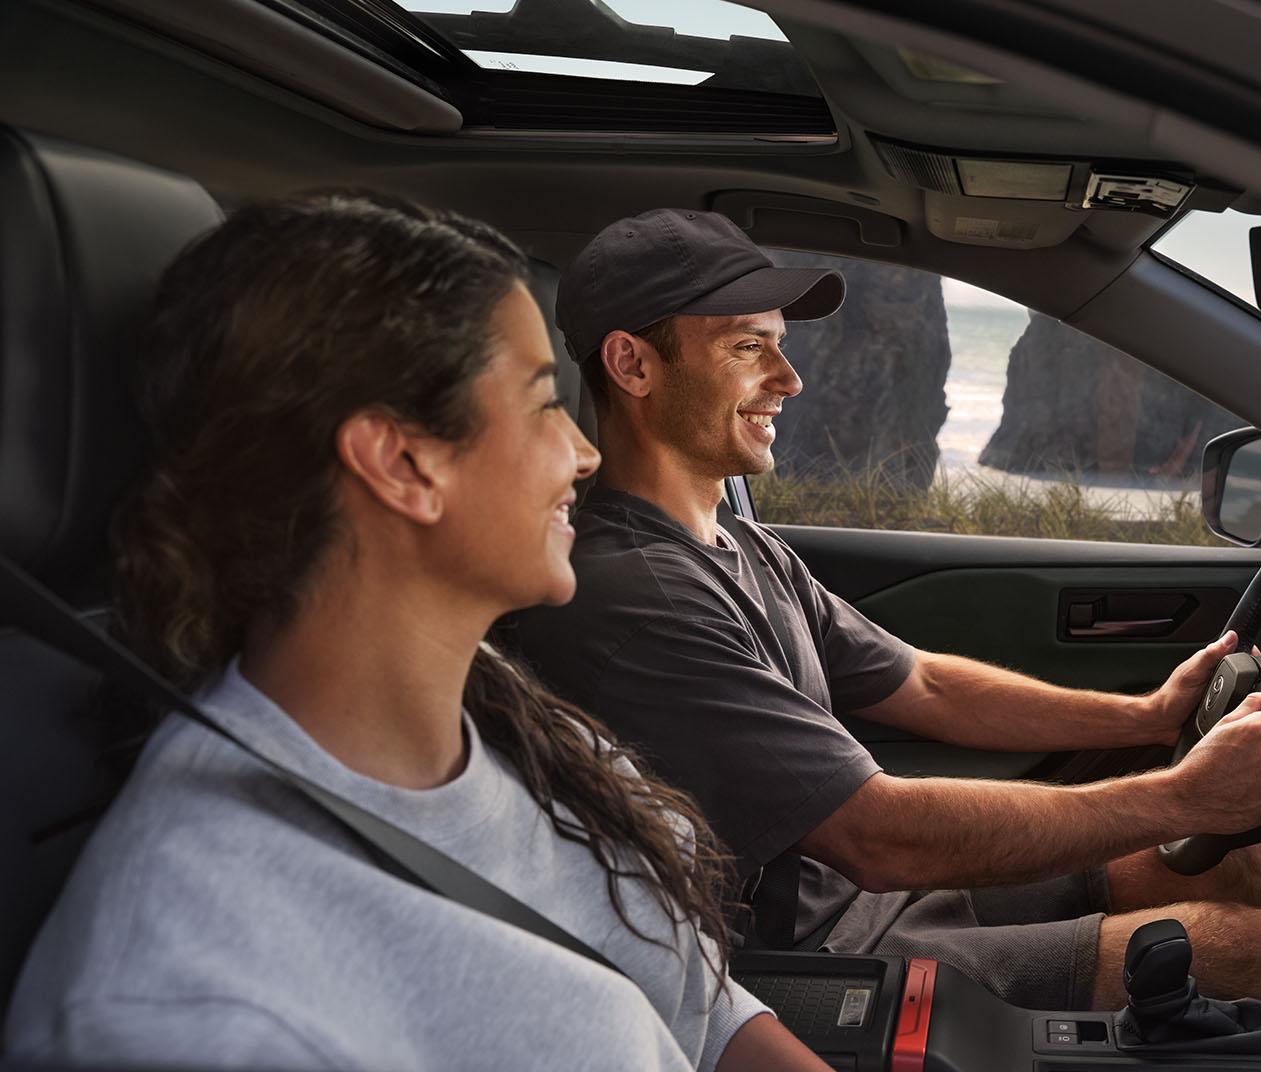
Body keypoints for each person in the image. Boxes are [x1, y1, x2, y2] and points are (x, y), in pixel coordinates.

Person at [4, 194, 829, 1071]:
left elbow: (705, 1014)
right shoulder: (190, 1010)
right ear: (402, 464)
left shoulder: (519, 727)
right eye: (547, 402)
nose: (584, 454)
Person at [508, 209, 1261, 1014]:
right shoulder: (637, 595)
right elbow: (878, 837)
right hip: (802, 957)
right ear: (633, 365)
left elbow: (927, 687)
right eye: (747, 347)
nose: (789, 379)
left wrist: (1146, 714)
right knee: (1250, 951)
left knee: (1223, 870)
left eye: (782, 345)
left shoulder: (740, 547)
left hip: (882, 901)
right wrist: (1183, 798)